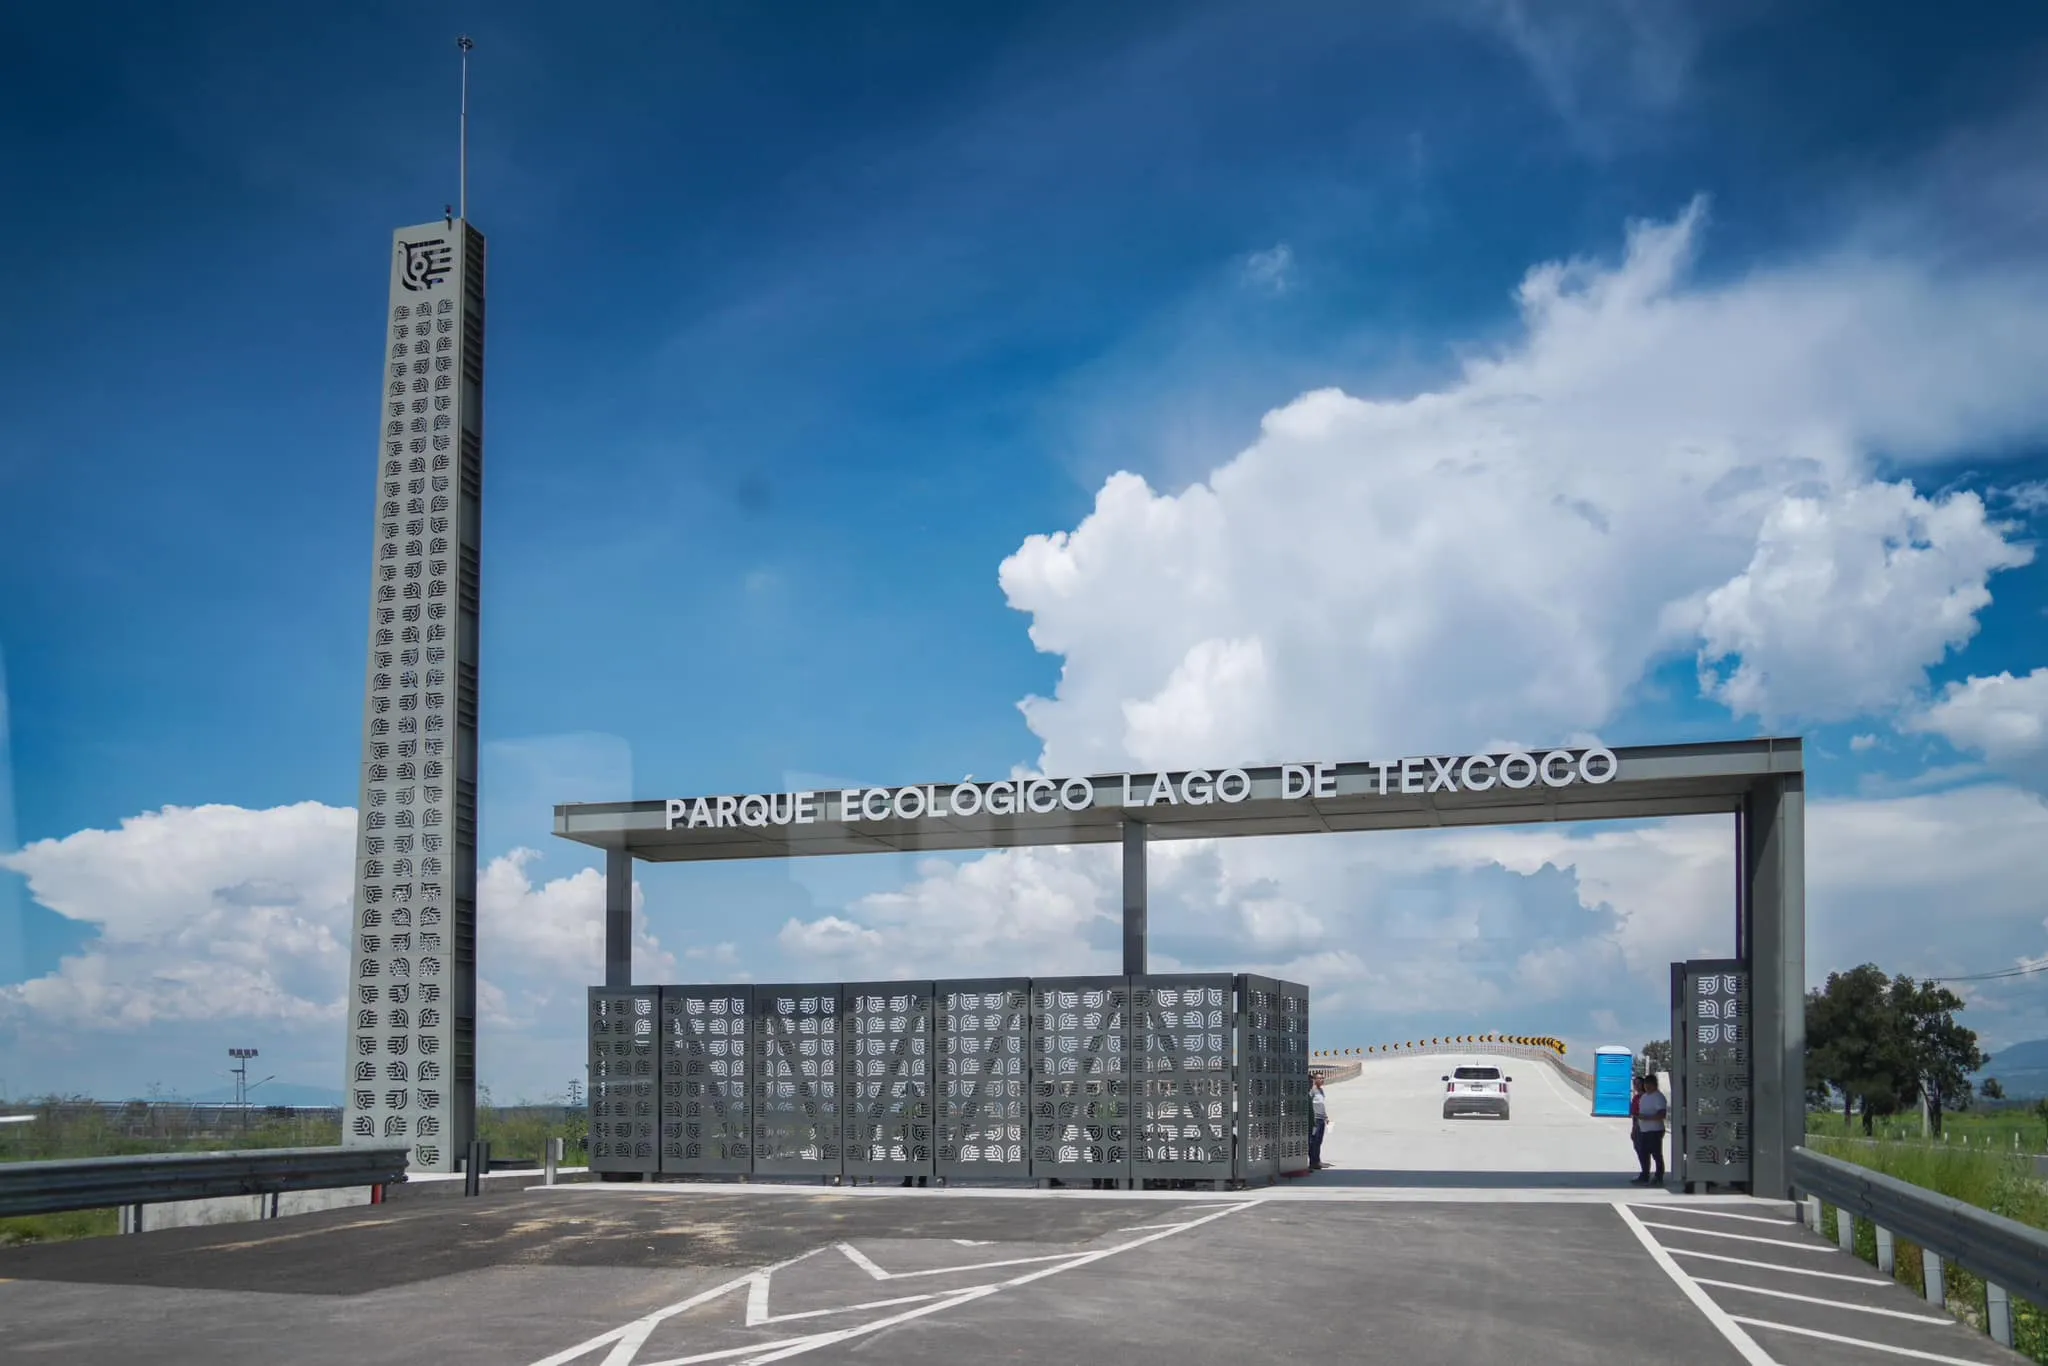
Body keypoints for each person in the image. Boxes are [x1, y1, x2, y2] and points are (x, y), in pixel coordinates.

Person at [1632, 1071, 1668, 1185]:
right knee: (1643, 1153)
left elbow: (1662, 1114)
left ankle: (1659, 1176)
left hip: (1655, 1130)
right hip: (1644, 1129)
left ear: (1654, 1085)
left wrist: (1647, 1118)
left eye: (1649, 1085)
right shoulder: (1644, 1097)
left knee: (1656, 1154)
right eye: (1645, 1085)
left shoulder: (1658, 1097)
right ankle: (1645, 1174)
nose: (1646, 1087)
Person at [1309, 1071, 1330, 1171]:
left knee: (1319, 1141)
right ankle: (1313, 1162)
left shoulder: (1321, 1091)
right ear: (1314, 1079)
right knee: (1314, 1141)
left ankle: (1317, 1160)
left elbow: (1321, 1105)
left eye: (1323, 1078)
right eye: (1319, 1078)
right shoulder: (1312, 1091)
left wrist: (1326, 1116)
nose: (1322, 1080)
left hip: (1321, 1119)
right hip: (1315, 1119)